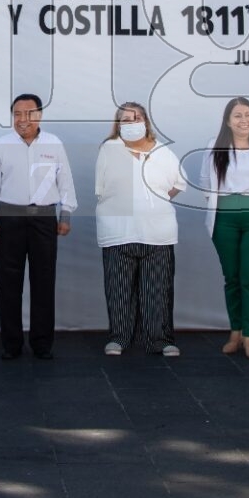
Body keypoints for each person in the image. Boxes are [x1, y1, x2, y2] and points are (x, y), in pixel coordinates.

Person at [0, 93, 76, 360]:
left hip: (44, 219)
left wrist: (65, 213)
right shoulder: (2, 144)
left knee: (43, 282)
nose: (23, 120)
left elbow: (65, 180)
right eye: (17, 114)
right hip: (9, 219)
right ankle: (11, 345)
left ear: (40, 115)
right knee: (9, 284)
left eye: (29, 113)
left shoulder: (53, 144)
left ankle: (42, 344)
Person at [95, 102, 184, 357]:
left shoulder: (162, 151)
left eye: (136, 118)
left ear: (146, 121)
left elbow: (176, 184)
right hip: (117, 231)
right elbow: (101, 189)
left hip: (157, 233)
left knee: (157, 290)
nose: (131, 122)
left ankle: (160, 339)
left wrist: (153, 204)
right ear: (118, 124)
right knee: (119, 288)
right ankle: (119, 338)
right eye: (125, 119)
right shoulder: (108, 150)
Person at [199, 97, 249, 360]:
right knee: (232, 277)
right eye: (237, 115)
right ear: (227, 120)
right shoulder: (215, 146)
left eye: (248, 115)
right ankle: (235, 331)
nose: (243, 120)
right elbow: (205, 180)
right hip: (225, 218)